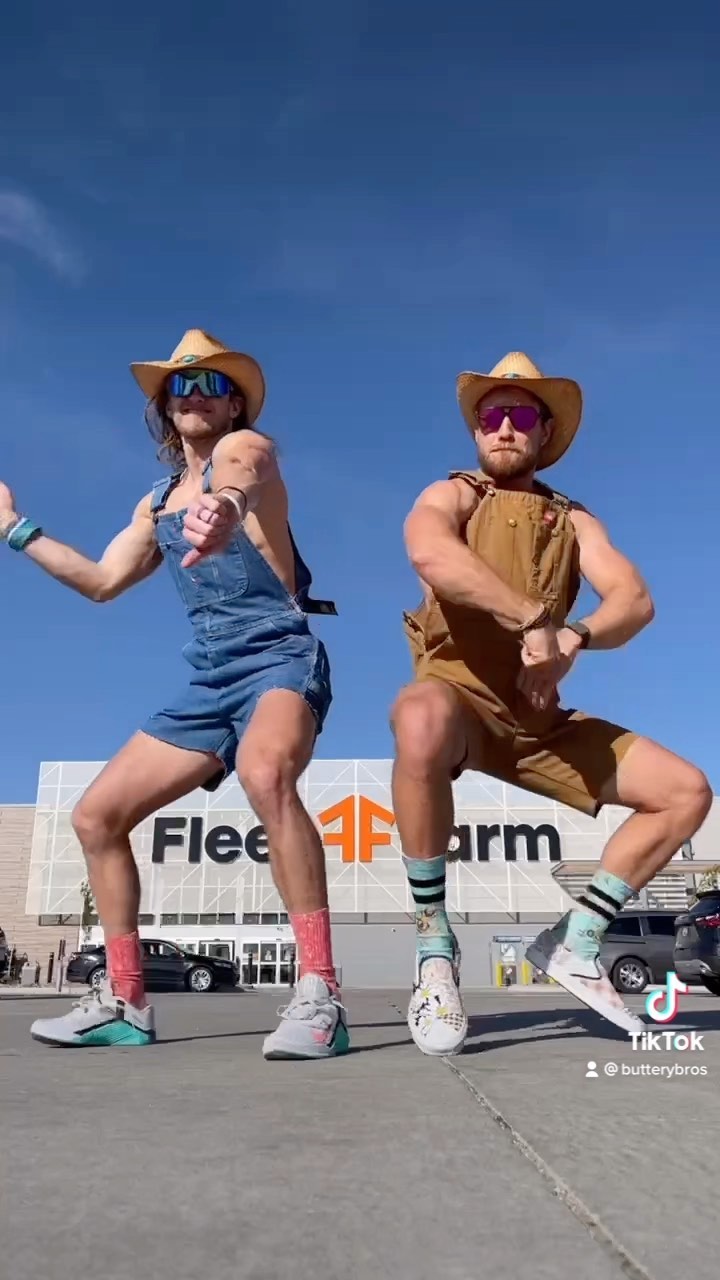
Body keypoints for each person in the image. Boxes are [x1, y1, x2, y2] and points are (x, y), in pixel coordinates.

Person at [1, 328, 348, 1059]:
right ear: (164, 407)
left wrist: (226, 505)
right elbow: (101, 581)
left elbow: (247, 469)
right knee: (96, 816)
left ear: (235, 405)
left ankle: (320, 992)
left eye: (212, 384)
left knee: (264, 772)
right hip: (210, 679)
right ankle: (126, 1003)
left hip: (279, 659)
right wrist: (14, 528)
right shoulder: (155, 503)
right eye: (180, 385)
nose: (195, 395)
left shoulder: (246, 451)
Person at [391, 351, 711, 1055]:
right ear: (476, 431)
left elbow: (634, 599)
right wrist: (533, 618)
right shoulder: (454, 493)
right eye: (490, 416)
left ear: (544, 431)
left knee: (686, 791)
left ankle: (578, 941)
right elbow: (430, 553)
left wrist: (575, 635)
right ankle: (435, 950)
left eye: (520, 415)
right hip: (458, 703)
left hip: (536, 722)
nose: (504, 427)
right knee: (418, 715)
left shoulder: (574, 519)